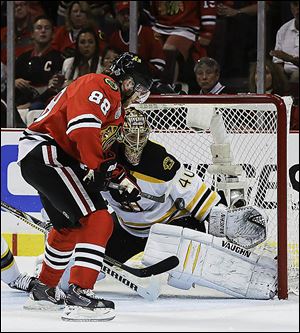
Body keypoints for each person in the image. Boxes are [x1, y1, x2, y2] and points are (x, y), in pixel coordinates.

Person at [53, 108, 275, 300]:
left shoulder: (159, 161)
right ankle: (47, 276)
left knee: (188, 270)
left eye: (141, 137)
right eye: (131, 137)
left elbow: (193, 191)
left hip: (171, 226)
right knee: (69, 276)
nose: (136, 145)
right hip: (127, 228)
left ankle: (257, 277)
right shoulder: (101, 157)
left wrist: (221, 218)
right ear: (119, 136)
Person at [18, 52, 153, 322]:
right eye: (138, 88)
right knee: (99, 220)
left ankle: (44, 290)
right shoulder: (102, 85)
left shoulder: (113, 105)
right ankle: (81, 294)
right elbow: (82, 130)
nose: (139, 96)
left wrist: (120, 178)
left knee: (68, 227)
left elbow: (99, 151)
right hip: (49, 154)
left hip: (45, 157)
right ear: (125, 81)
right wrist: (100, 168)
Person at [144, 1, 217, 84]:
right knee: (147, 46)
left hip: (186, 27)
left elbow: (207, 5)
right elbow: (150, 9)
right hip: (158, 26)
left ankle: (168, 86)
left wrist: (207, 32)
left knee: (169, 48)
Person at [14, 15, 65, 126]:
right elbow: (9, 83)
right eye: (39, 28)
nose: (43, 31)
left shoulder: (59, 58)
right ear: (32, 33)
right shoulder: (23, 58)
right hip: (20, 102)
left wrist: (28, 104)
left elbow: (55, 88)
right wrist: (15, 81)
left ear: (53, 33)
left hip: (44, 104)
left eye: (47, 28)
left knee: (35, 107)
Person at [107, 1, 166, 85]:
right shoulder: (114, 38)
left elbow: (159, 65)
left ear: (137, 14)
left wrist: (140, 69)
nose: (126, 17)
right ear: (116, 16)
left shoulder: (149, 33)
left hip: (149, 82)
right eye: (122, 14)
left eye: (129, 13)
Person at [270, 1, 299, 83]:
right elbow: (278, 63)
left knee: (296, 75)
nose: (298, 8)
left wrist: (290, 59)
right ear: (291, 7)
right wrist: (280, 76)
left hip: (296, 75)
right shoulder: (284, 29)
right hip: (286, 74)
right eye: (295, 4)